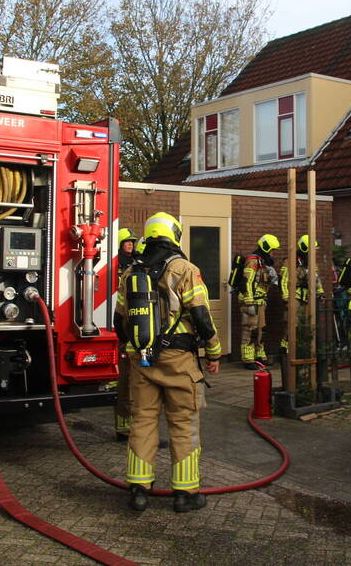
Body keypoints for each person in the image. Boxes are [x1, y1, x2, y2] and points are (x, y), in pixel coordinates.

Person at [115, 212, 221, 513]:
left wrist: (135, 351)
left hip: (142, 360)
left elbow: (118, 320)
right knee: (184, 423)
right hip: (179, 361)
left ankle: (138, 490)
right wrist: (214, 353)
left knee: (142, 421)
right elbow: (201, 317)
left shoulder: (131, 272)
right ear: (174, 233)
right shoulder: (185, 269)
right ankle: (185, 494)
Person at [280, 234, 324, 377]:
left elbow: (316, 280)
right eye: (313, 249)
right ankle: (286, 352)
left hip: (307, 298)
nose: (315, 252)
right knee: (292, 325)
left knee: (306, 326)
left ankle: (302, 352)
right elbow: (284, 280)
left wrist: (320, 292)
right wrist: (286, 298)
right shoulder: (291, 261)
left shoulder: (311, 263)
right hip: (295, 297)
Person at [238, 234, 280, 369]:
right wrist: (249, 300)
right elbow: (246, 281)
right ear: (266, 248)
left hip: (261, 301)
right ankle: (248, 360)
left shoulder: (263, 262)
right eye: (272, 250)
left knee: (261, 329)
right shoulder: (253, 261)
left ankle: (259, 356)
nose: (273, 254)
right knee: (249, 330)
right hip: (251, 301)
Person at [114, 227, 139, 441]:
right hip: (129, 327)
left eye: (132, 242)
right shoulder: (119, 265)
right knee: (130, 383)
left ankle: (126, 426)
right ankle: (127, 427)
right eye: (127, 242)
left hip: (129, 329)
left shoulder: (135, 264)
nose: (130, 245)